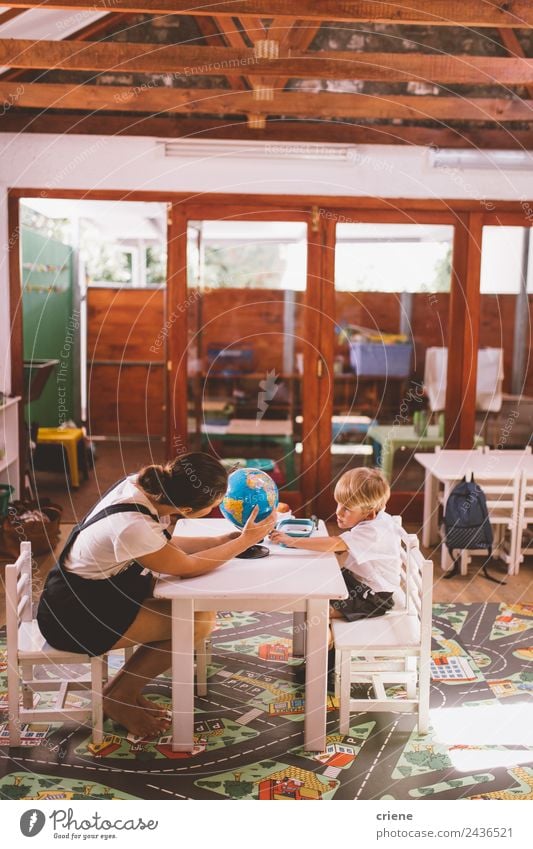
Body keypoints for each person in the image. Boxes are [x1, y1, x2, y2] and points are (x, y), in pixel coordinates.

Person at [37, 452, 276, 738]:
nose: (216, 508)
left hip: (91, 594)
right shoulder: (133, 527)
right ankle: (119, 698)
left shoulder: (142, 488)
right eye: (213, 506)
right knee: (195, 624)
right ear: (187, 509)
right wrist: (244, 542)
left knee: (195, 614)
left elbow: (163, 545)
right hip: (74, 616)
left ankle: (120, 692)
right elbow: (186, 567)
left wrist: (223, 541)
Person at [269, 466, 401, 623]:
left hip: (372, 599)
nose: (338, 512)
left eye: (347, 509)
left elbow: (336, 544)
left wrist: (291, 540)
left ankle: (327, 642)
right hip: (357, 581)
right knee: (313, 582)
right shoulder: (376, 516)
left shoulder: (374, 531)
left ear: (369, 512)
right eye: (339, 503)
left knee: (313, 613)